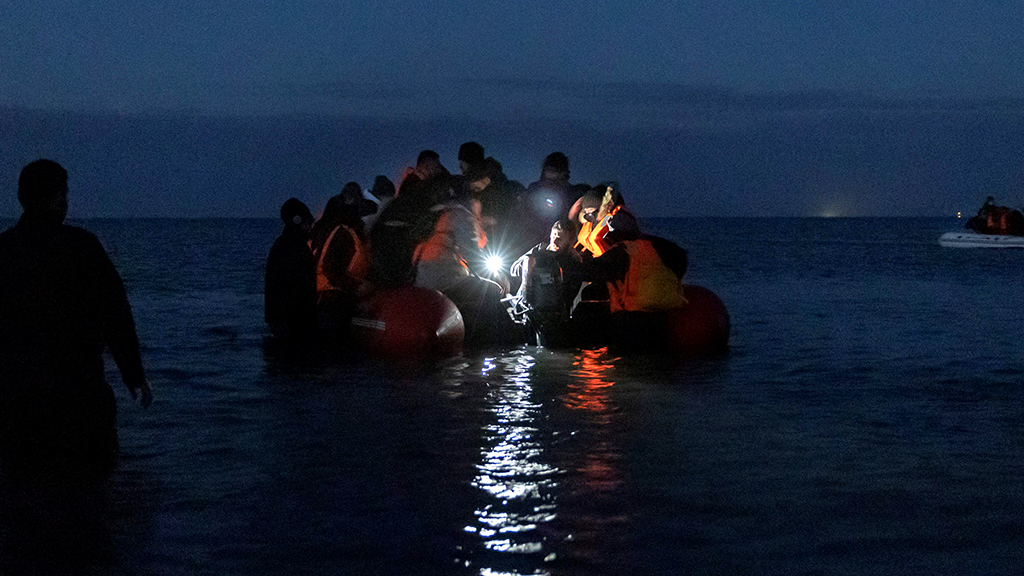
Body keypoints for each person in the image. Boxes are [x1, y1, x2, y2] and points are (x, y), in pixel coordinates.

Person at [0, 159, 151, 486]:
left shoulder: (5, 251)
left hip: (17, 402)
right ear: (58, 198)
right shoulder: (82, 247)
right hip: (78, 398)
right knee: (91, 498)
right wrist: (135, 376)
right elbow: (116, 316)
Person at [561, 210, 688, 350]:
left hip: (631, 322)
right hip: (663, 320)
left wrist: (563, 257)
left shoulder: (621, 253)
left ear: (613, 234)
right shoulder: (657, 247)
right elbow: (681, 259)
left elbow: (590, 272)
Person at [264, 198, 318, 341]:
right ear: (298, 222)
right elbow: (299, 287)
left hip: (282, 319)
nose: (310, 227)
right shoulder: (294, 249)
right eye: (308, 223)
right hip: (291, 320)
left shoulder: (283, 244)